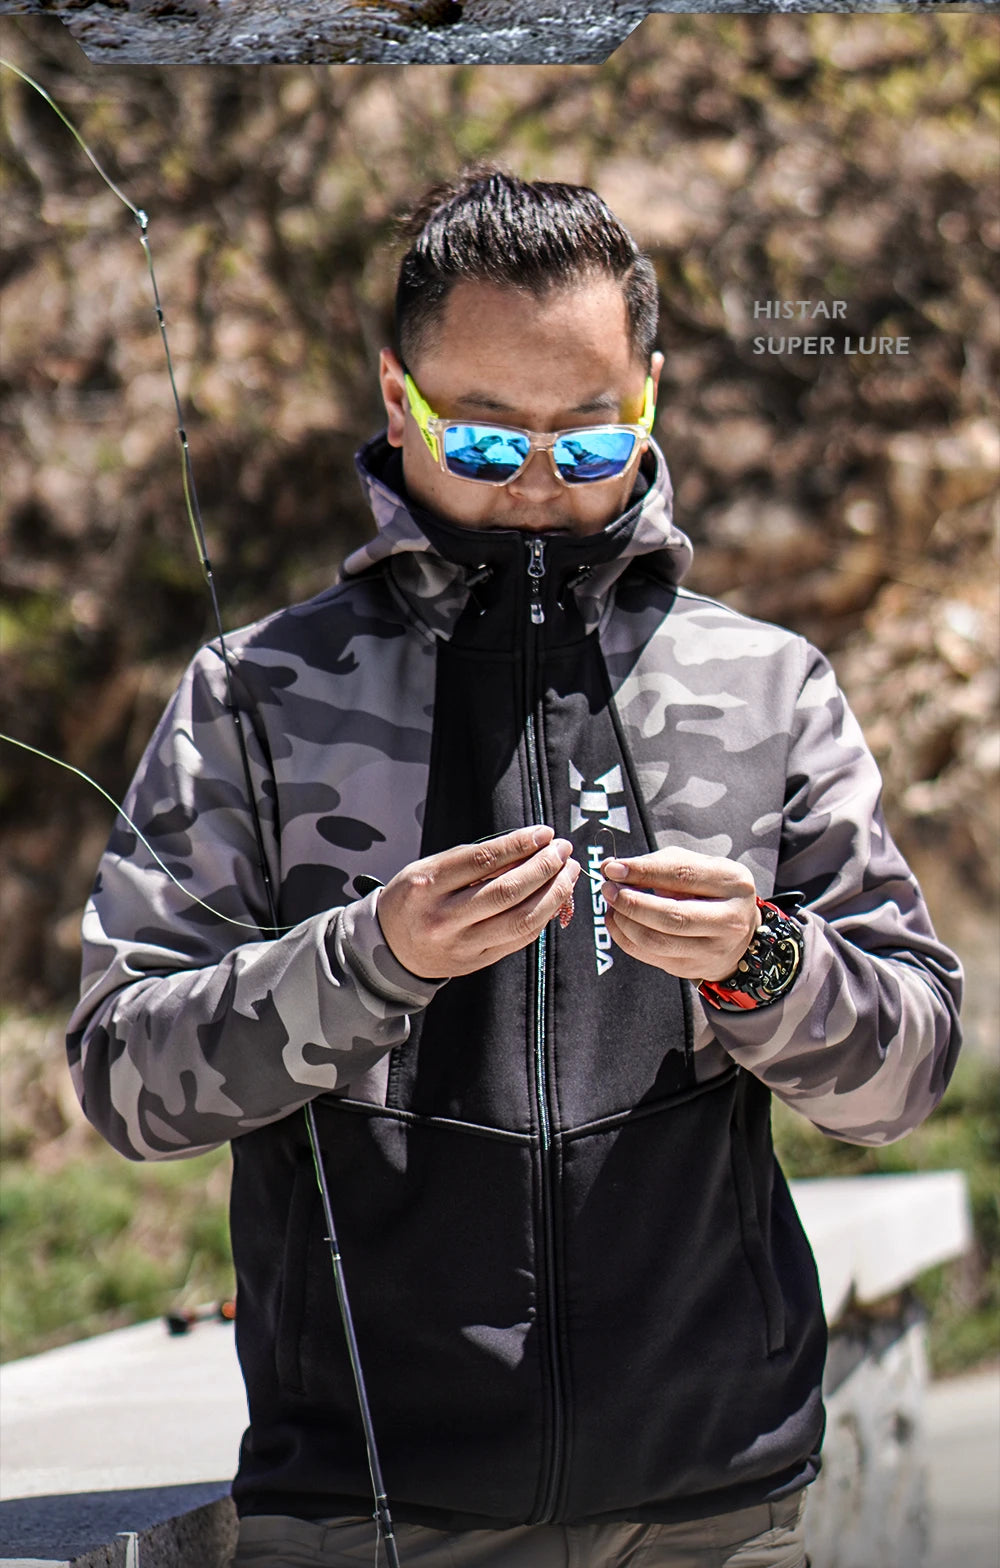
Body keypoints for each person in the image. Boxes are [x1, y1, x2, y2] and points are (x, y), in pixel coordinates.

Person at [67, 170, 962, 1568]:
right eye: (484, 445)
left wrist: (766, 962)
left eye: (590, 440)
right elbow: (125, 1079)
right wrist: (368, 962)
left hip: (716, 1507)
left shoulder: (766, 684)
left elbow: (907, 1075)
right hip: (369, 1509)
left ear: (651, 396)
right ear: (395, 396)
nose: (541, 484)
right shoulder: (259, 697)